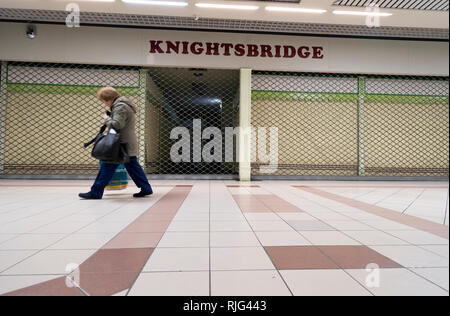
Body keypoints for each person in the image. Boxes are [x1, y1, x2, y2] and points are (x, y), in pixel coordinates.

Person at [79, 87, 153, 199]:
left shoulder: (120, 106)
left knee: (107, 165)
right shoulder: (124, 105)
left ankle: (96, 192)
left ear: (108, 99)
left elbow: (117, 124)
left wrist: (107, 118)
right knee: (133, 167)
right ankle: (146, 188)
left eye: (103, 101)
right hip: (126, 143)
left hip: (120, 144)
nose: (104, 103)